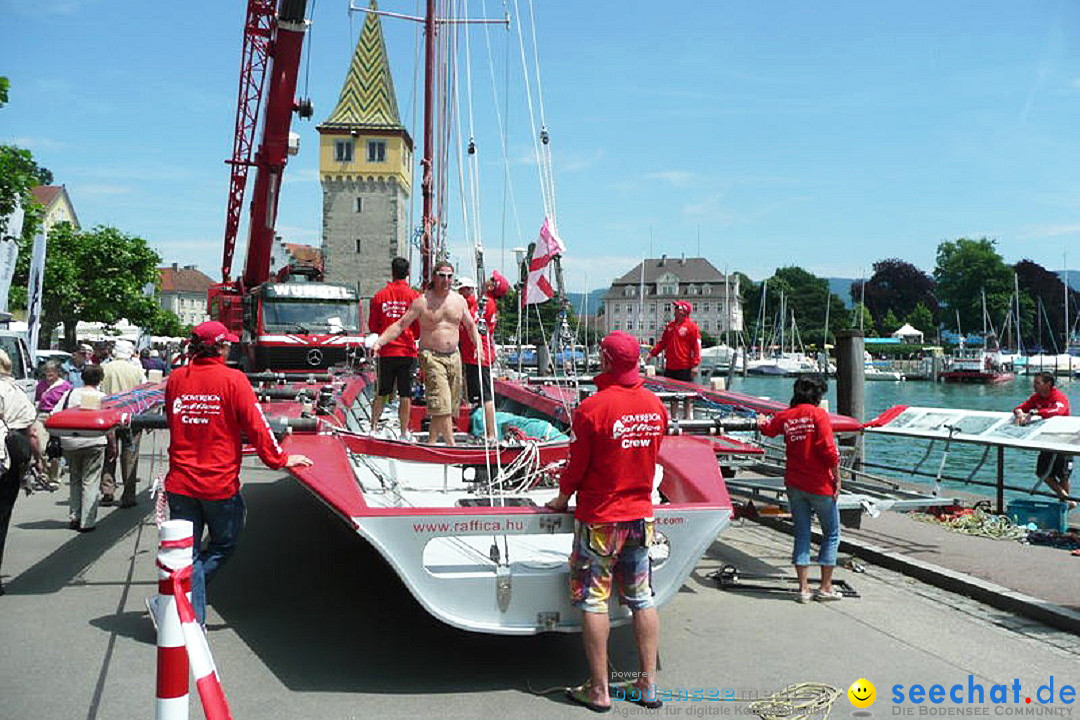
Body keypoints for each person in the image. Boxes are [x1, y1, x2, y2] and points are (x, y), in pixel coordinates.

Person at [545, 331, 669, 712]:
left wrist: (562, 497)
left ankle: (599, 690)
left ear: (605, 361)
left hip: (601, 517)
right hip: (640, 515)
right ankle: (647, 684)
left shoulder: (593, 408)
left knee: (594, 601)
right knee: (642, 597)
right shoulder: (655, 406)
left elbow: (577, 467)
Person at [164, 320, 312, 625]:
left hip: (180, 483)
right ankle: (186, 603)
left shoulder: (176, 378)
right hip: (218, 484)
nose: (231, 346)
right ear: (219, 347)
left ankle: (184, 612)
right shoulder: (234, 380)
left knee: (185, 556)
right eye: (227, 343)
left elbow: (173, 417)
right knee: (223, 544)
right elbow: (257, 426)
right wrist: (280, 459)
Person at [373, 260, 481, 445]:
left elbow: (471, 325)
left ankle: (431, 442)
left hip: (454, 356)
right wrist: (380, 342)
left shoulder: (459, 301)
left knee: (451, 404)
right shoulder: (422, 302)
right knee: (442, 403)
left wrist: (478, 344)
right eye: (442, 276)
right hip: (431, 356)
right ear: (434, 276)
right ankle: (451, 445)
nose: (446, 280)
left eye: (449, 276)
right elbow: (400, 325)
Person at [757, 375, 842, 603]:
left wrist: (759, 421)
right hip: (819, 484)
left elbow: (768, 429)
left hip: (795, 482)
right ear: (817, 395)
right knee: (831, 533)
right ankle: (825, 586)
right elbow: (828, 450)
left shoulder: (786, 416)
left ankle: (803, 588)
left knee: (802, 533)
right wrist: (837, 478)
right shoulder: (818, 415)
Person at [0, 349, 39, 596]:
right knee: (1, 518)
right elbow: (32, 431)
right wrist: (39, 459)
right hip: (6, 463)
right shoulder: (15, 392)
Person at [368, 257, 421, 439]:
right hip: (407, 350)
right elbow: (418, 329)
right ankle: (404, 432)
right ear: (407, 273)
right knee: (405, 393)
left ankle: (374, 427)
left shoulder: (379, 296)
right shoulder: (414, 297)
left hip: (387, 351)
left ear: (392, 271)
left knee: (382, 391)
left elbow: (373, 326)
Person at [53, 365, 106, 532]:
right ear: (100, 380)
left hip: (70, 441)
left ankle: (74, 516)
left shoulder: (70, 394)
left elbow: (54, 413)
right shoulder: (102, 397)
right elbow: (108, 423)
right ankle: (87, 521)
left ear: (82, 377)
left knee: (75, 479)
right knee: (90, 481)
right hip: (94, 441)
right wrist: (112, 444)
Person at [458, 271, 510, 442]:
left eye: (493, 280)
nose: (489, 279)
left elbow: (473, 323)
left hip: (480, 355)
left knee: (486, 396)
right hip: (474, 354)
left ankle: (491, 434)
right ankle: (483, 430)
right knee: (478, 395)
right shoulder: (485, 301)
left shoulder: (486, 303)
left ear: (493, 286)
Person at [1014, 371, 1075, 507]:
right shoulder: (1036, 398)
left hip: (1064, 439)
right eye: (1034, 382)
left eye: (1037, 383)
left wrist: (1035, 412)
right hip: (1046, 439)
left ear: (1048, 384)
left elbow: (1057, 411)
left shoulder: (1059, 397)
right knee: (1042, 472)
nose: (1034, 386)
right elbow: (1021, 407)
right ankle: (1068, 500)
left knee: (1063, 474)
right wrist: (1019, 413)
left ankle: (1064, 505)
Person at [99, 340, 146, 508]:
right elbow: (144, 394)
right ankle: (128, 495)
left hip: (108, 416)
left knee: (109, 455)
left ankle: (107, 490)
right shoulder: (136, 370)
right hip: (131, 417)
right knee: (130, 456)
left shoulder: (104, 369)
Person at [33, 360, 72, 491]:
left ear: (57, 373)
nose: (48, 377)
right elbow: (37, 401)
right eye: (46, 374)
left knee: (55, 449)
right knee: (41, 447)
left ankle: (54, 477)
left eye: (51, 374)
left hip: (56, 417)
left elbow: (67, 404)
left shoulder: (65, 386)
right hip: (41, 416)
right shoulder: (41, 385)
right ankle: (44, 474)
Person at [647, 301, 701, 382]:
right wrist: (652, 353)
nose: (674, 310)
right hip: (669, 367)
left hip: (684, 368)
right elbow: (663, 343)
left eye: (676, 308)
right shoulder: (670, 326)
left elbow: (697, 346)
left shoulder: (692, 327)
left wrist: (695, 365)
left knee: (684, 392)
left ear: (682, 311)